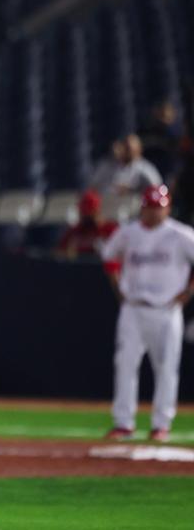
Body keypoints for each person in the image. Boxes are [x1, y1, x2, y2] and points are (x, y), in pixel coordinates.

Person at [100, 185, 194, 442]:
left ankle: (161, 424)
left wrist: (188, 292)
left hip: (165, 309)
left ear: (167, 207)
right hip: (133, 307)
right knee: (125, 364)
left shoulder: (181, 235)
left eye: (158, 207)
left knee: (165, 368)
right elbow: (109, 257)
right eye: (150, 206)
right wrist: (118, 288)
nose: (154, 212)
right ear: (142, 207)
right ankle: (123, 422)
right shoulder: (128, 233)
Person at [88, 134, 162, 196]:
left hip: (134, 209)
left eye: (130, 149)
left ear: (139, 150)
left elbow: (156, 191)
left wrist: (131, 190)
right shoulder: (107, 164)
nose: (128, 152)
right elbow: (93, 187)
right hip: (107, 207)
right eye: (126, 148)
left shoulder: (146, 169)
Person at [56, 190, 118, 258]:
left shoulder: (110, 229)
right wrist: (67, 254)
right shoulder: (74, 231)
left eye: (90, 212)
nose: (86, 215)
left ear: (97, 211)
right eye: (84, 212)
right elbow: (59, 253)